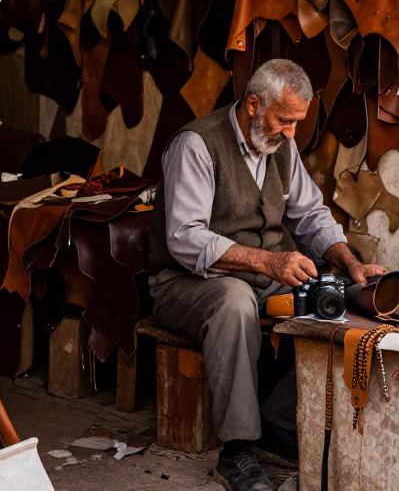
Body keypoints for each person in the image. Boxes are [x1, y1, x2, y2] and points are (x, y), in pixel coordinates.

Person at [148, 59, 383, 491]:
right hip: (184, 282)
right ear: (254, 104)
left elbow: (311, 216)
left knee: (339, 297)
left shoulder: (281, 146)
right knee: (234, 304)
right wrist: (267, 261)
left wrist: (350, 263)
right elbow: (184, 238)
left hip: (256, 276)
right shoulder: (196, 144)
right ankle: (236, 452)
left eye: (297, 123)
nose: (291, 133)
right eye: (284, 120)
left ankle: (277, 420)